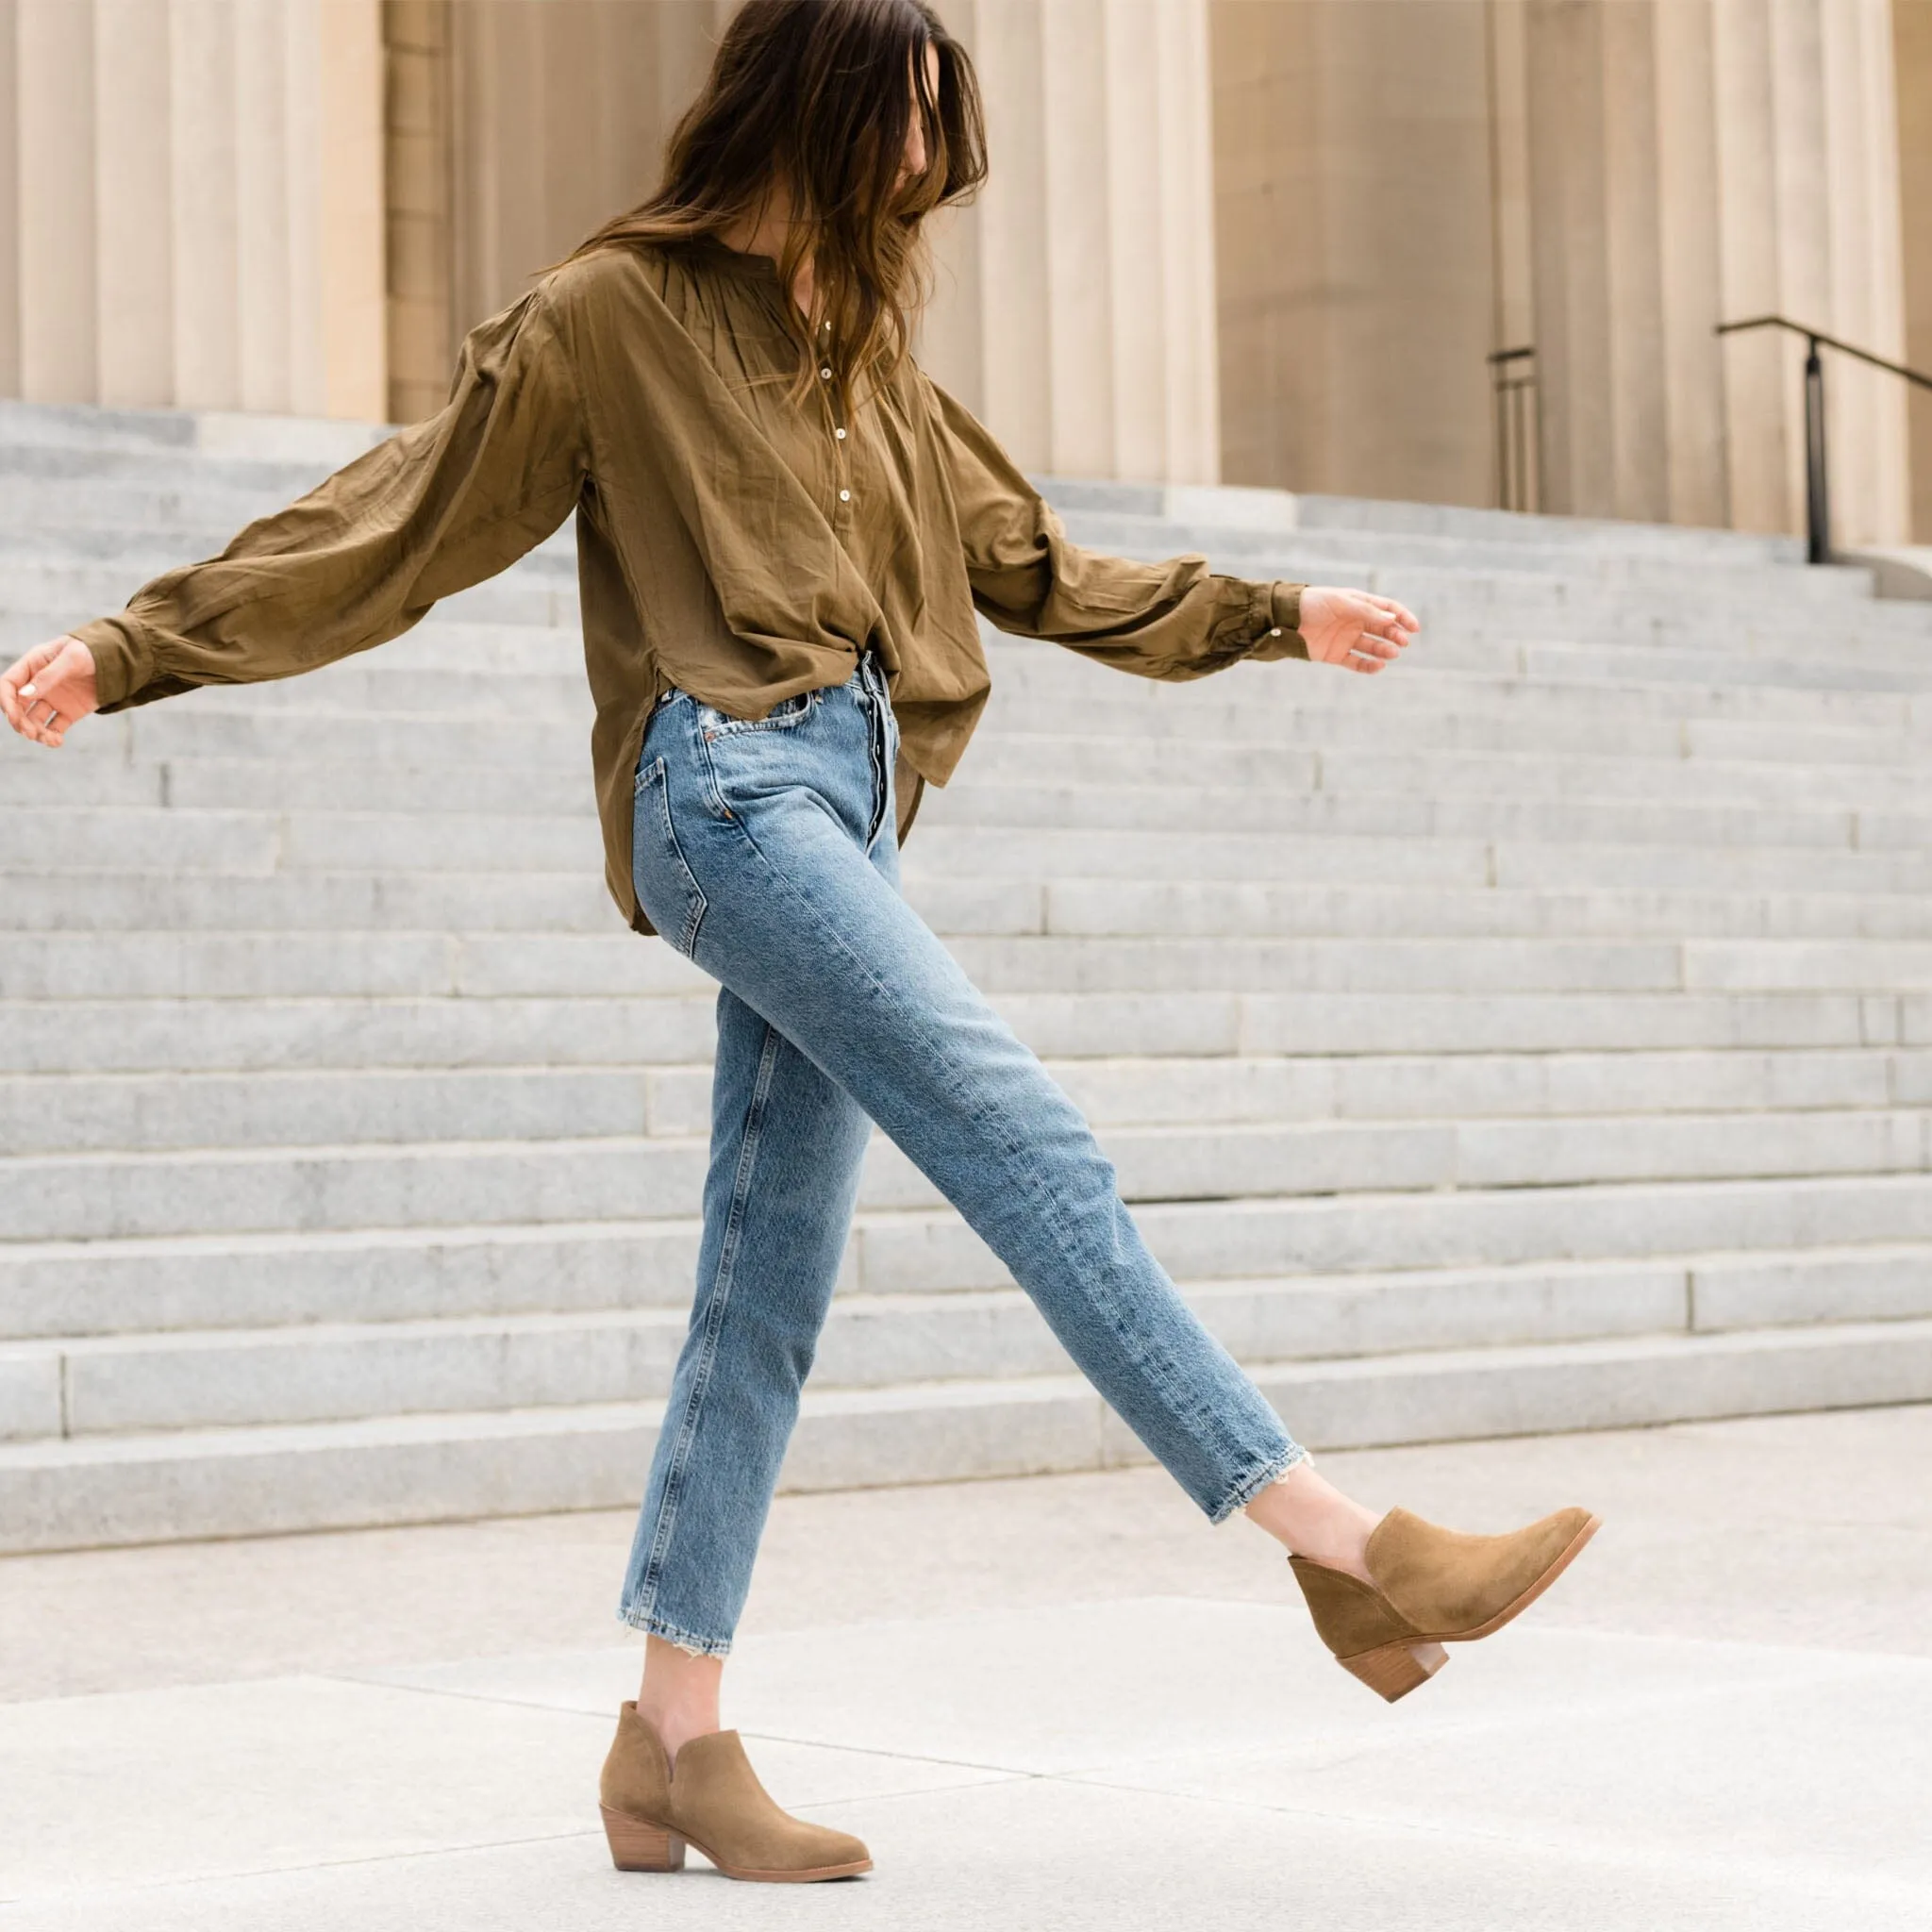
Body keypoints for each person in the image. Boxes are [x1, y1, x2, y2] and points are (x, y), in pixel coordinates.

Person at [0, 0, 1599, 1888]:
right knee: (1029, 1144)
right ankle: (1344, 1549)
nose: (928, 168)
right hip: (727, 797)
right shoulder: (606, 315)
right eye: (908, 126)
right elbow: (402, 518)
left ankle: (671, 1743)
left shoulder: (874, 356)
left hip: (839, 812)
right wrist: (140, 642)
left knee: (765, 1287)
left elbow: (1033, 564)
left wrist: (1272, 615)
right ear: (821, 114)